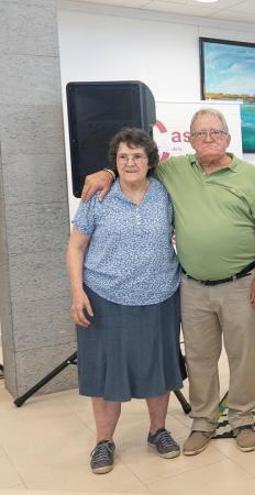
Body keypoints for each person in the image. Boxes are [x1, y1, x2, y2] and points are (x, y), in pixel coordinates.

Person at [81, 108, 255, 455]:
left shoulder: (250, 176)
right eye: (200, 134)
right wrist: (107, 171)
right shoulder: (174, 171)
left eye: (215, 132)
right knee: (200, 357)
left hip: (241, 283)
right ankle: (203, 422)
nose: (208, 139)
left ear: (228, 138)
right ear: (190, 140)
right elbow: (135, 163)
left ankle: (243, 419)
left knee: (242, 355)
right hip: (192, 286)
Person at [67, 128, 182, 474]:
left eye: (137, 156)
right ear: (114, 163)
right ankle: (104, 441)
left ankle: (157, 431)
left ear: (150, 162)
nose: (130, 162)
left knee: (158, 367)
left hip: (159, 294)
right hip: (105, 298)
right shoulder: (97, 197)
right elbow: (75, 246)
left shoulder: (165, 192)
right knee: (105, 372)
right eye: (122, 157)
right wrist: (77, 291)